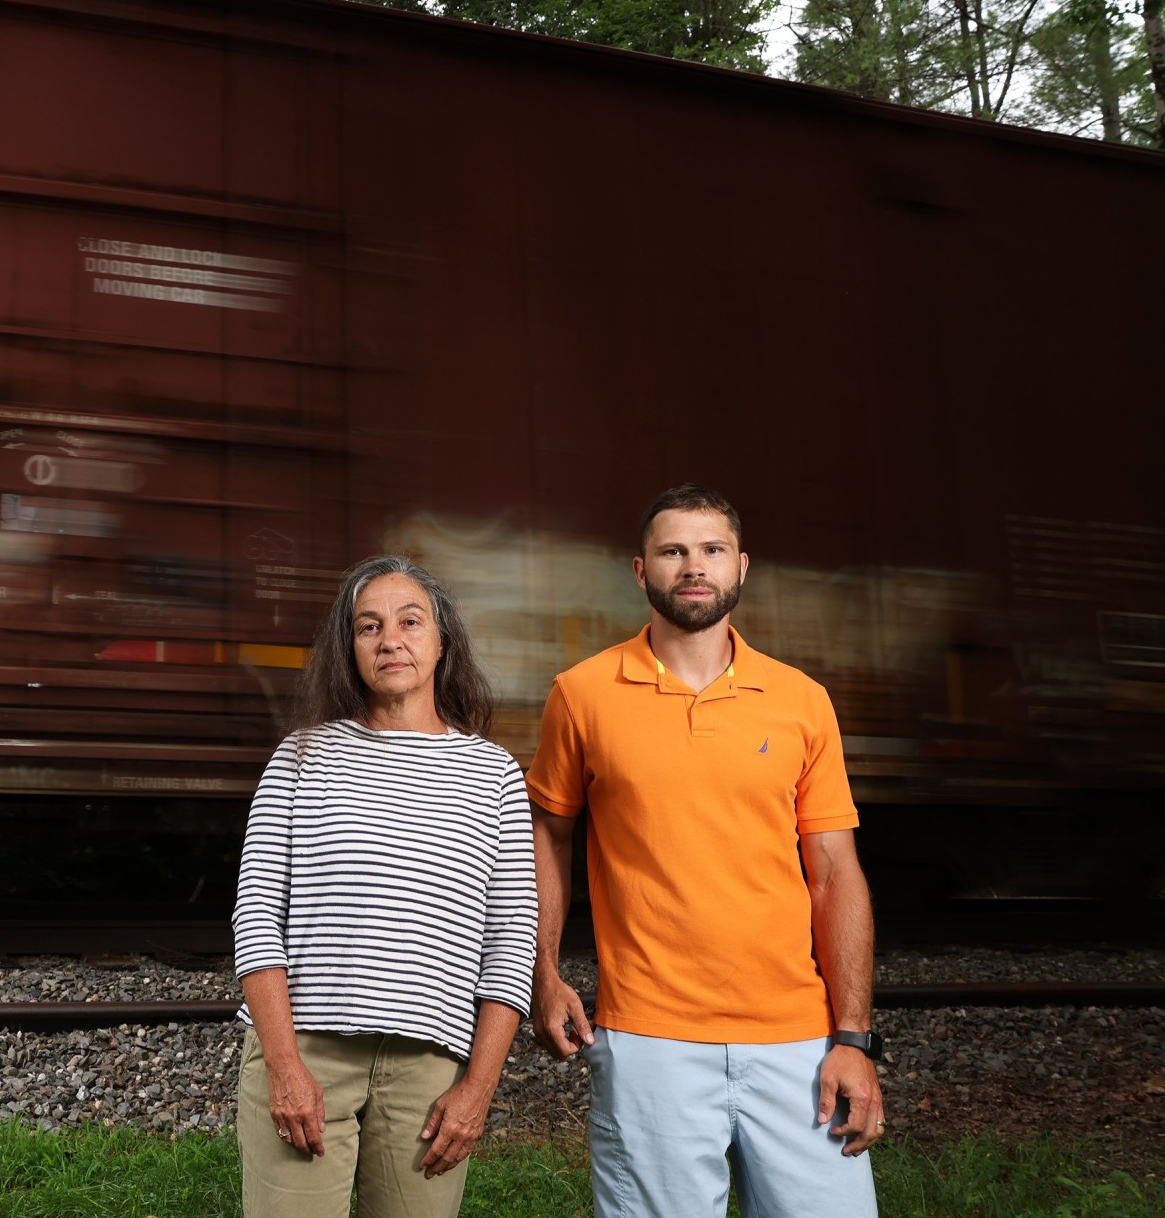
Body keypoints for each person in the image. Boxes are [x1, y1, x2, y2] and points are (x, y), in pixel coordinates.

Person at [528, 484, 883, 1218]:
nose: (695, 566)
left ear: (741, 565)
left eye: (712, 549)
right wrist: (544, 972)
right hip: (648, 1037)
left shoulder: (802, 700)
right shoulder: (582, 693)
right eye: (674, 550)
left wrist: (853, 1037)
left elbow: (835, 874)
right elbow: (548, 837)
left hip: (798, 1040)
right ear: (640, 570)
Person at [232, 554, 535, 1218]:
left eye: (408, 621)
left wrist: (478, 1089)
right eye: (368, 626)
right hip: (305, 1052)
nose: (389, 639)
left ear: (441, 640)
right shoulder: (302, 756)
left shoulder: (495, 776)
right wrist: (284, 1067)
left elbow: (510, 942)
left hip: (430, 1068)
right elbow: (256, 916)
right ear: (351, 648)